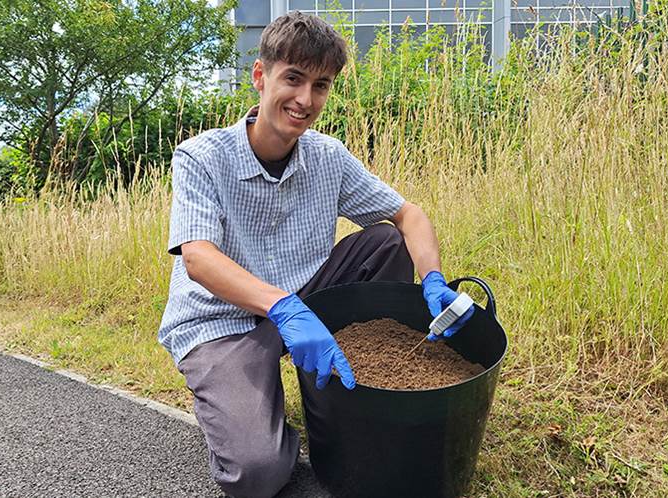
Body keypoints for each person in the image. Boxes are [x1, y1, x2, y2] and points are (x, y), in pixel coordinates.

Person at [157, 11, 473, 498]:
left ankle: (359, 385)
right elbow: (197, 258)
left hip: (305, 297)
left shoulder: (328, 157)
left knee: (386, 241)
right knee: (258, 473)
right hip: (222, 322)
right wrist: (282, 308)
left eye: (320, 85)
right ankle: (247, 405)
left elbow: (408, 215)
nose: (305, 100)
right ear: (261, 76)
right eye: (293, 78)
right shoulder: (202, 156)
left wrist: (432, 279)